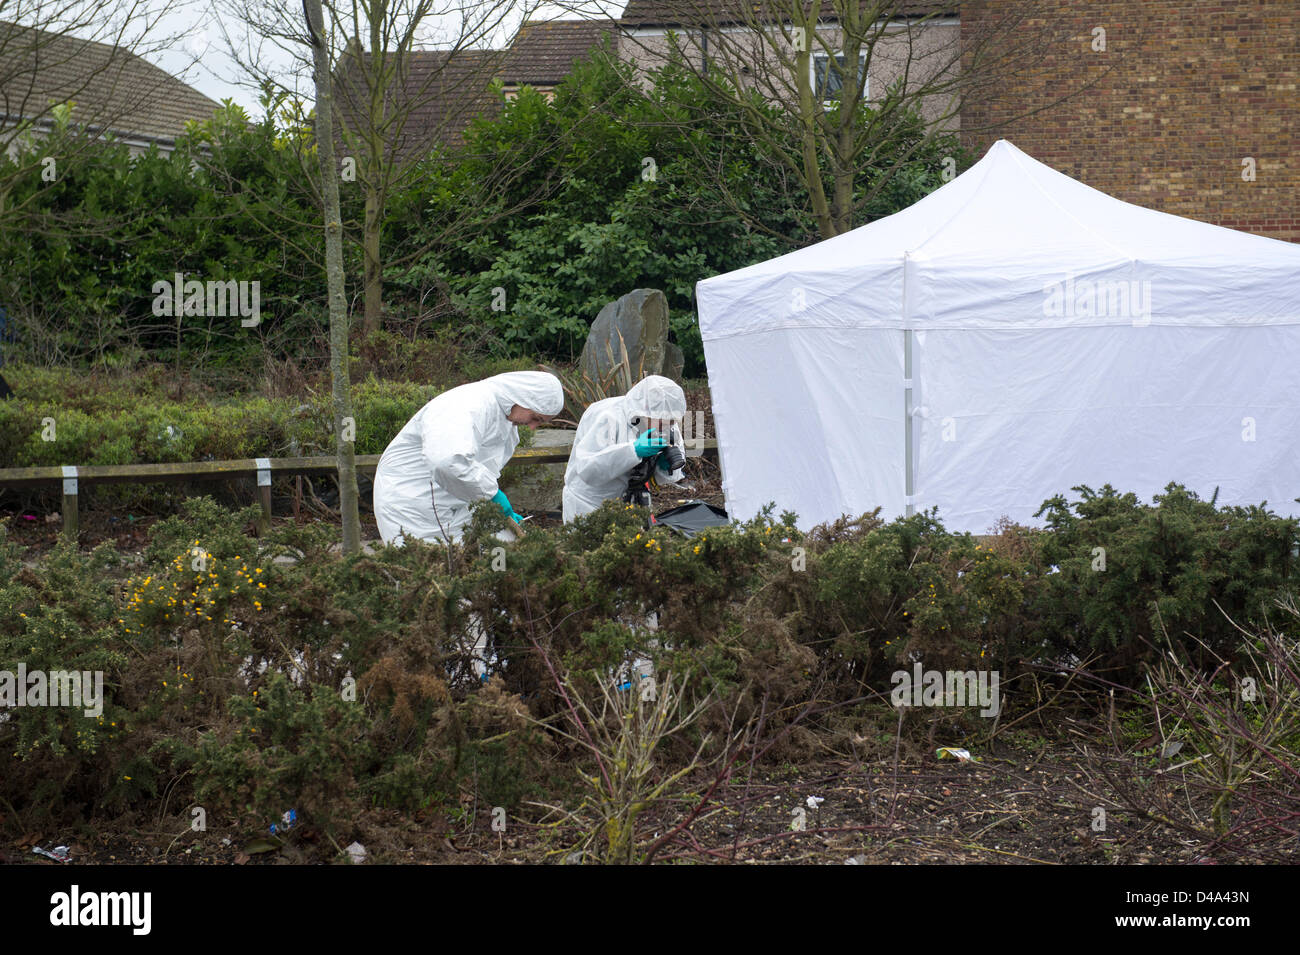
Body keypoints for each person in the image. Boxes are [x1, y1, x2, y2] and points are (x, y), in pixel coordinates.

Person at [373, 370, 564, 546]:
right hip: (410, 504)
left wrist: (490, 500)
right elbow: (446, 461)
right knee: (426, 569)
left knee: (487, 561)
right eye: (536, 417)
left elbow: (478, 470)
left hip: (452, 503)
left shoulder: (505, 419)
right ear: (524, 398)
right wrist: (492, 495)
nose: (532, 427)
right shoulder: (467, 403)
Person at [563, 375, 687, 523]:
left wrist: (664, 467)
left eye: (672, 421)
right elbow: (588, 470)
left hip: (632, 503)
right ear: (645, 409)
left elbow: (670, 473)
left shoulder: (665, 418)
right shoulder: (608, 416)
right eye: (662, 422)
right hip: (590, 504)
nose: (666, 427)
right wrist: (633, 451)